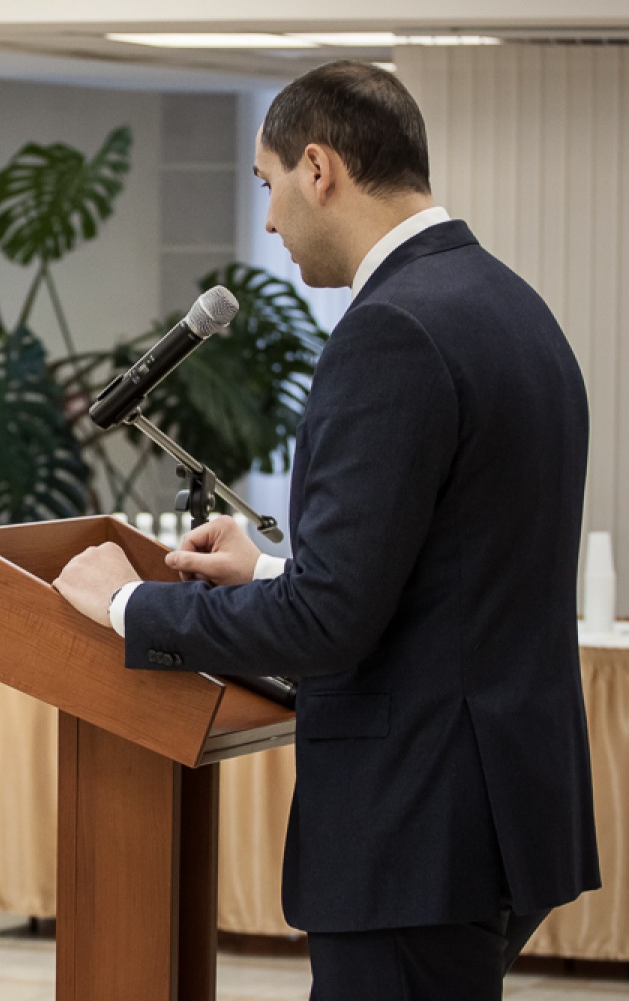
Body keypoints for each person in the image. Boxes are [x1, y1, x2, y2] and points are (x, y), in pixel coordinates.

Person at [53, 61, 598, 1001]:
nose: (268, 221)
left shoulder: (391, 330)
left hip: (416, 827)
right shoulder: (510, 304)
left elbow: (327, 623)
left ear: (318, 168)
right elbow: (452, 568)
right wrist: (270, 571)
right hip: (503, 804)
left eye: (267, 184)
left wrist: (126, 603)